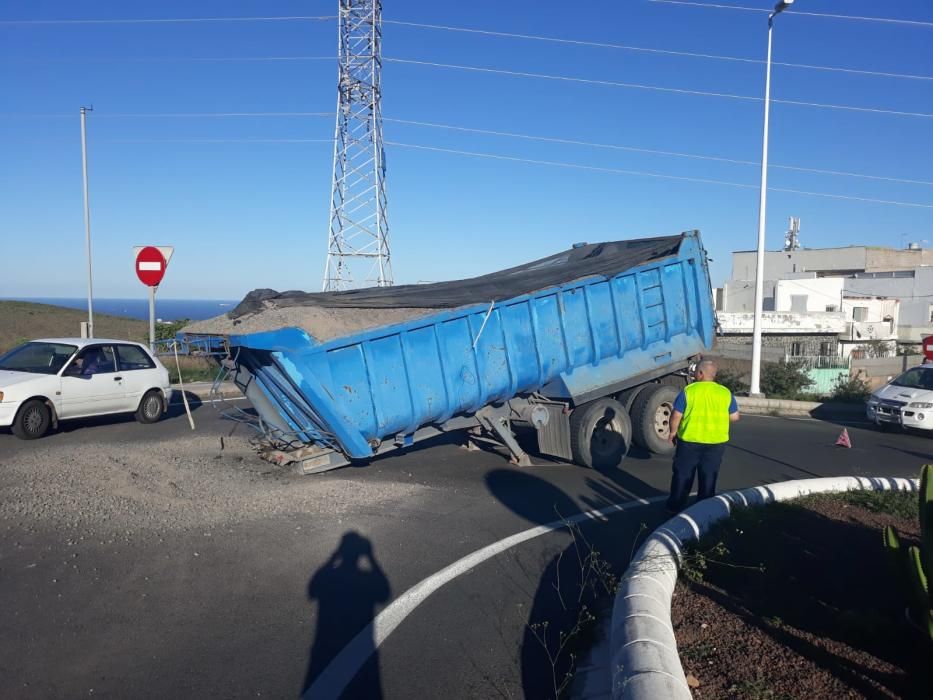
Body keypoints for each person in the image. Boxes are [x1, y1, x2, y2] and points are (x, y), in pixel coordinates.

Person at [666, 359, 740, 512]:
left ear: (700, 373)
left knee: (683, 475)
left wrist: (673, 432)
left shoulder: (689, 391)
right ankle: (704, 510)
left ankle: (675, 507)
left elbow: (676, 415)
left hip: (690, 441)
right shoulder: (725, 393)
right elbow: (734, 417)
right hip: (716, 443)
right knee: (709, 476)